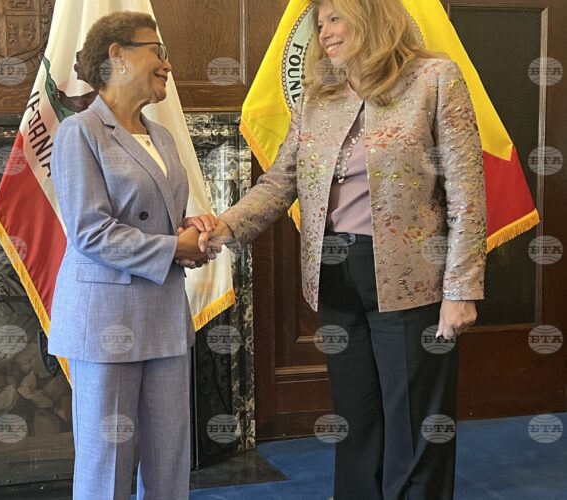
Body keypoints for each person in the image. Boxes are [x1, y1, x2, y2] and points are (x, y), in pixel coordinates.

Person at [193, 0, 487, 498]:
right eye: (319, 22)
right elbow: (280, 182)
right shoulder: (319, 95)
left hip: (411, 279)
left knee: (416, 425)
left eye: (335, 18)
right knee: (356, 419)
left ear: (371, 16)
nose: (324, 31)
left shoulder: (434, 78)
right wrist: (222, 226)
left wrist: (461, 289)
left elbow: (467, 193)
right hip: (334, 276)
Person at [47, 11, 213, 500]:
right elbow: (90, 232)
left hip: (163, 314)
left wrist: (189, 231)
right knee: (109, 463)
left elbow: (157, 216)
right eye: (157, 51)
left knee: (170, 458)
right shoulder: (80, 131)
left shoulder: (162, 136)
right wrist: (173, 247)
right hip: (108, 322)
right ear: (117, 55)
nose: (167, 64)